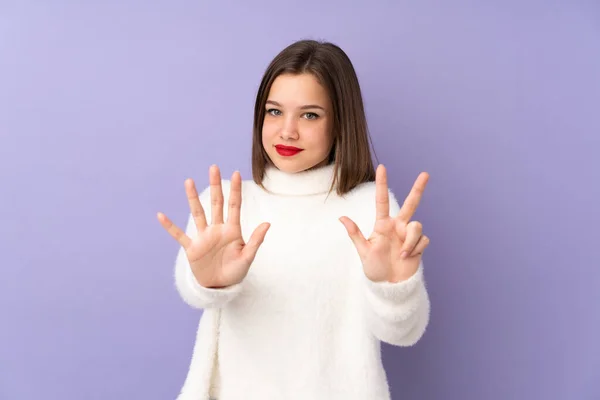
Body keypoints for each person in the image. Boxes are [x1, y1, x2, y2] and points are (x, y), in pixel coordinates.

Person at [157, 39, 431, 400]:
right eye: (274, 112)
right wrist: (207, 282)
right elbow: (196, 293)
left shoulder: (371, 211)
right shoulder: (229, 205)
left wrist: (395, 287)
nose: (287, 131)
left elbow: (404, 332)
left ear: (340, 124)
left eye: (310, 115)